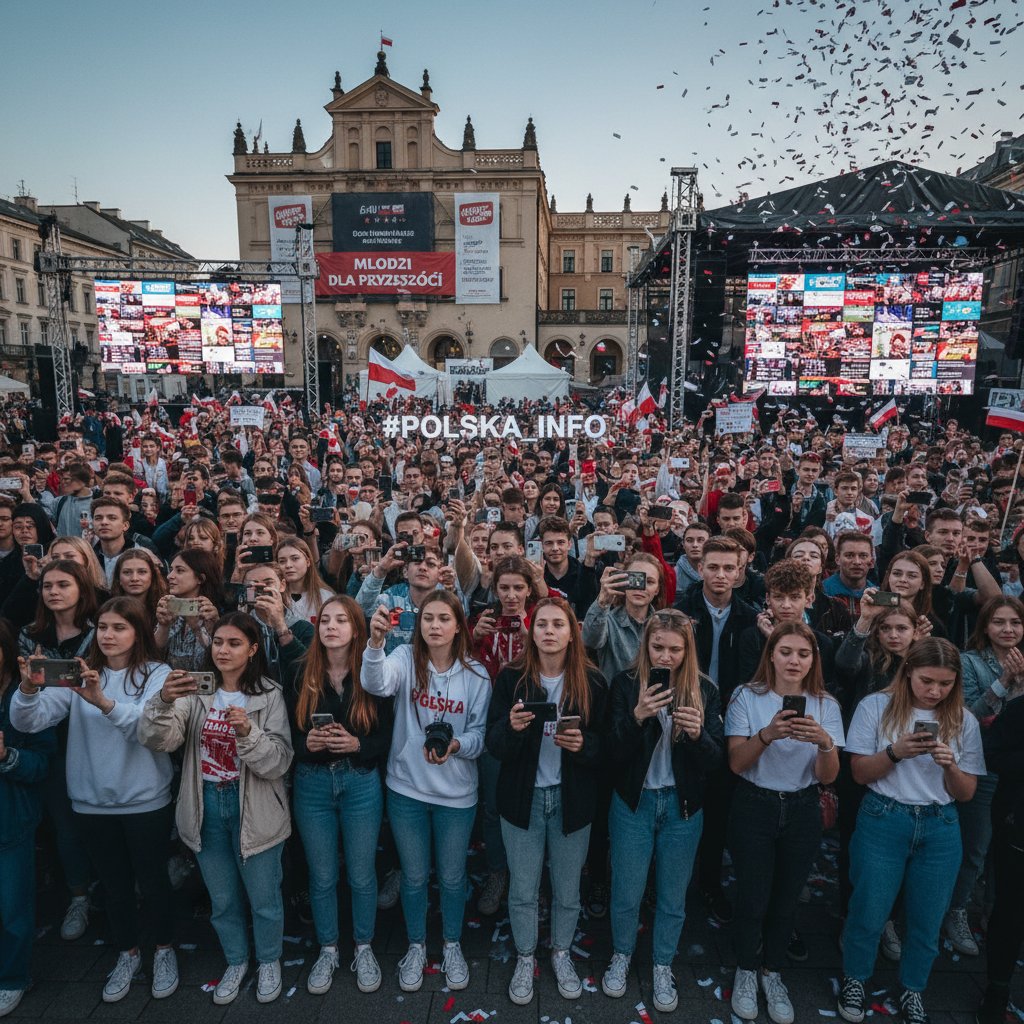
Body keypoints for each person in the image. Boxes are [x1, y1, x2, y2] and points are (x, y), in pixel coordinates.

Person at [10, 597, 178, 1004]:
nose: (107, 635)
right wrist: (29, 691)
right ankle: (127, 953)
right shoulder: (79, 674)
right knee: (115, 887)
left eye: (118, 627)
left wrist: (103, 702)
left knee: (153, 882)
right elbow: (28, 720)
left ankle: (164, 949)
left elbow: (148, 730)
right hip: (90, 802)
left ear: (137, 632)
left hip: (145, 800)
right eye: (102, 627)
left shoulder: (158, 673)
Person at [139, 613, 293, 1006]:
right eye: (218, 642)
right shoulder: (195, 692)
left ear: (253, 649)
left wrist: (248, 733)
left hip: (255, 805)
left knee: (264, 899)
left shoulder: (270, 694)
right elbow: (161, 740)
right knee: (222, 899)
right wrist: (163, 700)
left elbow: (278, 761)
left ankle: (270, 961)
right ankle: (237, 961)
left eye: (234, 643)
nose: (222, 650)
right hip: (206, 803)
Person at [837, 639, 985, 1024]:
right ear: (907, 673)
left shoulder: (963, 720)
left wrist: (951, 766)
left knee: (927, 919)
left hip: (941, 824)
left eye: (946, 683)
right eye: (927, 680)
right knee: (869, 910)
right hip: (884, 816)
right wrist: (895, 753)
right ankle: (855, 978)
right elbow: (857, 773)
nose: (935, 691)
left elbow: (966, 793)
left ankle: (914, 988)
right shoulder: (875, 706)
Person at [361, 591, 490, 993]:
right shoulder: (404, 659)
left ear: (458, 626)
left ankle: (452, 944)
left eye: (443, 618)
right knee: (415, 877)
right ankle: (416, 945)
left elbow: (480, 736)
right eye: (428, 618)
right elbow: (376, 683)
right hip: (407, 790)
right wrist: (376, 643)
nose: (434, 625)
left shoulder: (478, 675)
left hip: (456, 794)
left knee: (452, 878)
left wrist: (456, 747)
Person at [485, 597, 607, 1006]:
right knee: (522, 888)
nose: (550, 632)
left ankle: (560, 952)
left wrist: (584, 745)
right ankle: (524, 956)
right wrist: (513, 727)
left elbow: (607, 748)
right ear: (531, 631)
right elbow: (494, 744)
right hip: (524, 799)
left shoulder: (590, 680)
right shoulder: (512, 680)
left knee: (567, 890)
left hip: (571, 800)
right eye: (542, 625)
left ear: (572, 632)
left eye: (558, 624)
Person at [603, 609, 724, 1012]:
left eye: (675, 649)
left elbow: (714, 762)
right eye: (658, 647)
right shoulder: (623, 685)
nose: (666, 657)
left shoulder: (704, 690)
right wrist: (638, 716)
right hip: (634, 802)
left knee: (674, 895)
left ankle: (661, 963)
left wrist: (696, 734)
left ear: (688, 650)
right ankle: (621, 955)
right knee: (627, 890)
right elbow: (611, 755)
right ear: (645, 645)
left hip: (682, 806)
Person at [726, 622, 844, 1024]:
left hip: (802, 807)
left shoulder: (826, 704)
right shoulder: (747, 696)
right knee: (753, 895)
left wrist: (824, 742)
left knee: (787, 896)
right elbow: (737, 763)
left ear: (814, 659)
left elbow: (829, 776)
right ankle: (746, 968)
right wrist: (767, 734)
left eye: (804, 654)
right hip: (754, 803)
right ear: (771, 655)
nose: (795, 661)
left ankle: (772, 971)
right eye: (786, 652)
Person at [286, 595, 393, 996]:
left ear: (355, 629)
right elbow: (286, 734)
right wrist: (306, 742)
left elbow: (386, 735)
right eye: (325, 620)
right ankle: (328, 949)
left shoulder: (373, 674)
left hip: (360, 781)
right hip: (312, 781)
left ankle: (363, 947)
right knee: (323, 874)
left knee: (362, 874)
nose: (331, 627)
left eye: (341, 620)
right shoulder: (301, 672)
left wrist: (358, 746)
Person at [943, 595, 1024, 956]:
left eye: (1016, 623)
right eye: (1000, 622)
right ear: (986, 627)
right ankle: (956, 911)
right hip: (984, 766)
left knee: (1008, 848)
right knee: (976, 846)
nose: (1008, 630)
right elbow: (969, 717)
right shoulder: (971, 662)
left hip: (1017, 771)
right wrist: (1005, 682)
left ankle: (996, 913)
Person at [0, 620, 55, 1019]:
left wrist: (6, 758)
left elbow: (42, 765)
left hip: (10, 817)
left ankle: (12, 978)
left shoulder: (19, 699)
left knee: (12, 906)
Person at [976, 683, 1024, 1024]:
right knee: (1010, 911)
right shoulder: (1021, 709)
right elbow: (991, 754)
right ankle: (997, 988)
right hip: (1018, 826)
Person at [582, 553, 663, 683]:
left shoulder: (663, 624)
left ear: (657, 589)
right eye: (635, 579)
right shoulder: (607, 620)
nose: (640, 587)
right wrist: (602, 601)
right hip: (615, 700)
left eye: (650, 581)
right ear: (623, 581)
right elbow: (590, 640)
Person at [155, 550, 223, 671]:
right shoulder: (169, 609)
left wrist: (199, 630)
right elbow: (153, 655)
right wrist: (163, 626)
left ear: (200, 578)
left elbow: (219, 659)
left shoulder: (212, 613)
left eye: (180, 570)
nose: (170, 576)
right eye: (171, 570)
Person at [277, 537, 333, 622]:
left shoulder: (325, 597)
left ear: (308, 561)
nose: (288, 565)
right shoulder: (274, 596)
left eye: (295, 558)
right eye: (282, 561)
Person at [111, 547, 168, 627]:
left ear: (152, 576)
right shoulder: (109, 610)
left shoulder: (164, 609)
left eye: (142, 572)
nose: (134, 578)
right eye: (127, 572)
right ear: (119, 578)